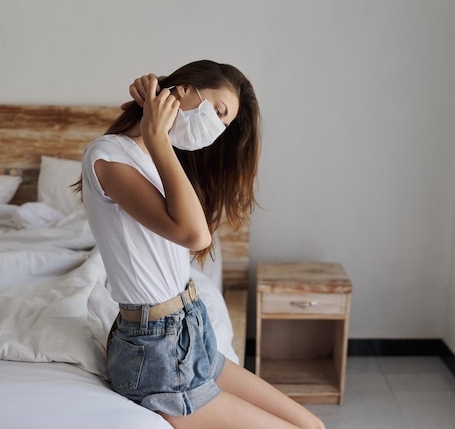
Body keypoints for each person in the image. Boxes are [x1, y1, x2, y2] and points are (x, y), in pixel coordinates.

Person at [80, 60, 324, 429]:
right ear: (184, 90)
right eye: (219, 112)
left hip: (191, 330)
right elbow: (195, 234)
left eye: (224, 126)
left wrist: (160, 138)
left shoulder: (158, 158)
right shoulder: (107, 156)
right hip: (155, 350)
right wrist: (158, 134)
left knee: (314, 426)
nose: (215, 130)